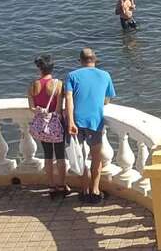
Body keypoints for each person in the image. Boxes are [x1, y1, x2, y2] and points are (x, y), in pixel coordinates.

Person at [65, 48, 116, 204]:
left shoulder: (72, 76)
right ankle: (95, 190)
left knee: (79, 155)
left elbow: (69, 99)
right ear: (95, 59)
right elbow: (107, 99)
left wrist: (71, 121)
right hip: (95, 120)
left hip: (76, 121)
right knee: (96, 156)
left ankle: (84, 189)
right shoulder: (105, 75)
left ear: (80, 61)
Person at [27, 55, 67, 198]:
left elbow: (31, 108)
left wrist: (40, 110)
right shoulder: (58, 84)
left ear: (39, 68)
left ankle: (51, 186)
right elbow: (58, 109)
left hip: (42, 125)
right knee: (61, 156)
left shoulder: (33, 85)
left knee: (48, 155)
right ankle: (62, 185)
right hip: (56, 123)